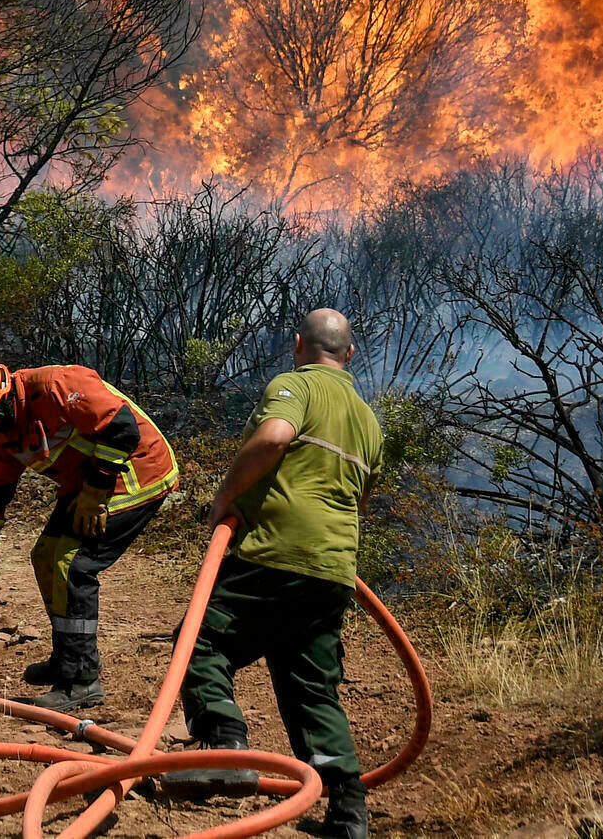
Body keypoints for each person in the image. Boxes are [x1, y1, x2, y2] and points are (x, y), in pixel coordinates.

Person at [168, 308, 385, 839]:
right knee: (310, 685)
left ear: (297, 346)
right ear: (349, 354)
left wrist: (225, 499)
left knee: (198, 640)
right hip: (334, 568)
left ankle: (225, 744)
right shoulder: (369, 420)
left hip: (272, 552)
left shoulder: (296, 385)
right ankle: (348, 810)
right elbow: (363, 497)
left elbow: (273, 438)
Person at [0, 360, 180, 711]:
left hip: (138, 471)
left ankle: (82, 680)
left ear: (7, 396)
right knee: (44, 556)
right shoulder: (2, 435)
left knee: (71, 563)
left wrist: (95, 492)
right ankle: (67, 658)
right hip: (86, 485)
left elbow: (121, 428)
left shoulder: (58, 385)